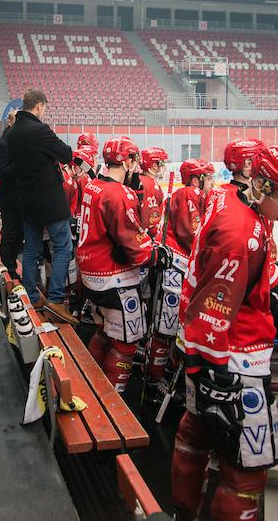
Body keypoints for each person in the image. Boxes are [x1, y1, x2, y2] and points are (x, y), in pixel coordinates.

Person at [171, 145, 278, 521]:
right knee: (247, 476)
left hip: (203, 349)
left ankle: (182, 514)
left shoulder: (226, 194)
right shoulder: (243, 234)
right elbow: (215, 306)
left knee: (194, 435)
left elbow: (249, 276)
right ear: (263, 184)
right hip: (235, 359)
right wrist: (213, 371)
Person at [75, 136, 170, 392]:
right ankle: (111, 401)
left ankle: (89, 386)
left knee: (105, 331)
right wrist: (156, 256)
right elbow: (133, 242)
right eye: (134, 160)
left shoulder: (93, 185)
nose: (137, 166)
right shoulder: (119, 194)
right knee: (127, 343)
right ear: (127, 161)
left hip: (90, 274)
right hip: (112, 279)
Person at [6, 89, 78, 324]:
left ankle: (32, 295)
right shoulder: (39, 130)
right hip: (49, 200)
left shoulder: (13, 131)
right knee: (64, 247)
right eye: (44, 108)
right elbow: (66, 154)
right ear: (38, 106)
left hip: (27, 200)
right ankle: (56, 300)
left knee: (31, 249)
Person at [165, 159, 214, 267]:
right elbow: (190, 233)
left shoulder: (192, 194)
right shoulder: (190, 193)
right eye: (209, 178)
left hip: (177, 257)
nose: (213, 183)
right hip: (177, 260)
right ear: (196, 181)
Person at [0, 115, 23, 273]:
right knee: (10, 234)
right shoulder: (2, 145)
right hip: (10, 200)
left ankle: (12, 266)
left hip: (22, 198)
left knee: (19, 234)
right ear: (10, 123)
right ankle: (8, 269)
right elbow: (3, 173)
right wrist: (21, 161)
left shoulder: (19, 143)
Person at [137, 147, 169, 241]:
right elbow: (150, 220)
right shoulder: (152, 185)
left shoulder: (138, 180)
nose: (164, 167)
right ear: (154, 165)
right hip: (145, 239)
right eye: (162, 163)